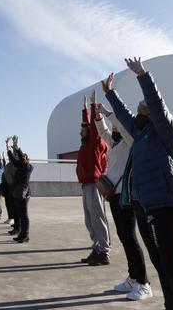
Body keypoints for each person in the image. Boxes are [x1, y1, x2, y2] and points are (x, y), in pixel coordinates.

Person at [104, 59, 173, 309]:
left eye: (142, 110)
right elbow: (122, 115)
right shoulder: (140, 134)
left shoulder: (164, 132)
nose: (138, 113)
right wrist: (110, 93)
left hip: (164, 201)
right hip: (143, 202)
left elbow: (157, 106)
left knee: (170, 261)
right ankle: (169, 303)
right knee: (158, 258)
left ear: (152, 114)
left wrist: (143, 76)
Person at [95, 97, 153, 301]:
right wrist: (98, 116)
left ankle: (144, 283)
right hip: (114, 194)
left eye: (115, 125)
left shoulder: (130, 140)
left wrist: (107, 111)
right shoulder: (116, 144)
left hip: (126, 195)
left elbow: (120, 122)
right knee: (123, 235)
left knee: (130, 236)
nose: (112, 128)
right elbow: (103, 133)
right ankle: (133, 277)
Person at [77, 94, 110, 266]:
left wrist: (91, 105)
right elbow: (86, 125)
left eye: (83, 130)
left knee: (97, 218)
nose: (80, 131)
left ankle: (104, 252)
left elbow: (92, 126)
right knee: (89, 220)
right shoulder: (84, 144)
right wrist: (83, 109)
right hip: (85, 186)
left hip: (94, 184)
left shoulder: (94, 142)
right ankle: (97, 248)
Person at [8, 136, 32, 243]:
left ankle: (25, 235)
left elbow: (20, 157)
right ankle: (22, 234)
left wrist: (16, 146)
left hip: (24, 192)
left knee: (24, 214)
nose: (22, 158)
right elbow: (13, 159)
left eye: (24, 157)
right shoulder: (20, 166)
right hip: (18, 192)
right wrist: (8, 148)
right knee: (20, 214)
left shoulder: (28, 167)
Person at [0, 142, 17, 227]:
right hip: (6, 187)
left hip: (13, 187)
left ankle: (13, 218)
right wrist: (7, 147)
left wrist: (14, 145)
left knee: (13, 204)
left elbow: (16, 154)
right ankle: (10, 217)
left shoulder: (15, 165)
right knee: (8, 203)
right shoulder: (7, 165)